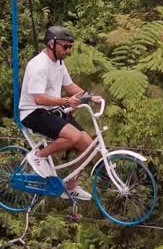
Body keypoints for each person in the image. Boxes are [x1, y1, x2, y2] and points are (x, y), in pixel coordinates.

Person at [19, 25, 101, 201]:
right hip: (32, 112)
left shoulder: (59, 63)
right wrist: (66, 101)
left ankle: (70, 187)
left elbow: (69, 86)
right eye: (65, 46)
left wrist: (90, 97)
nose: (68, 50)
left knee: (88, 145)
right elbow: (39, 99)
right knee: (72, 136)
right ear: (51, 44)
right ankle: (38, 155)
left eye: (70, 47)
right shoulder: (38, 65)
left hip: (52, 111)